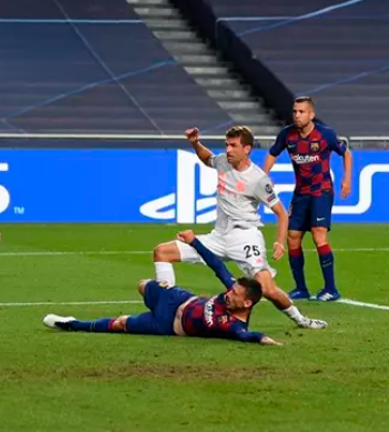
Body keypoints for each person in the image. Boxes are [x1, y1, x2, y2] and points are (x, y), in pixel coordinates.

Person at [152, 126, 326, 329]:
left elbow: (280, 212)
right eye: (227, 145)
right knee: (162, 252)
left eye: (233, 145)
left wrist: (279, 241)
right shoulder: (224, 162)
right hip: (217, 237)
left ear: (247, 149)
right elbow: (207, 158)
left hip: (245, 238)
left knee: (267, 289)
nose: (228, 150)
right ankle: (165, 306)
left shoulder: (258, 179)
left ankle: (301, 320)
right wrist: (194, 143)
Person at [44, 230, 283, 346]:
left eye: (235, 295)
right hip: (178, 297)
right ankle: (161, 289)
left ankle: (72, 324)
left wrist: (263, 339)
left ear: (247, 303)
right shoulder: (233, 292)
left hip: (167, 325)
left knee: (122, 323)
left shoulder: (233, 326)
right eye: (231, 290)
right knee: (142, 284)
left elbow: (245, 336)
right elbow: (217, 265)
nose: (229, 294)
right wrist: (194, 242)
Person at [264, 96, 352, 301]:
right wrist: (264, 176)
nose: (297, 115)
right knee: (293, 237)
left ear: (311, 114)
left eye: (301, 112)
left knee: (318, 234)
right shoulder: (287, 134)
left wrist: (346, 180)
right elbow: (271, 154)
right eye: (294, 111)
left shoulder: (325, 134)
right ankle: (301, 288)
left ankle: (331, 289)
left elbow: (346, 154)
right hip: (301, 193)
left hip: (321, 191)